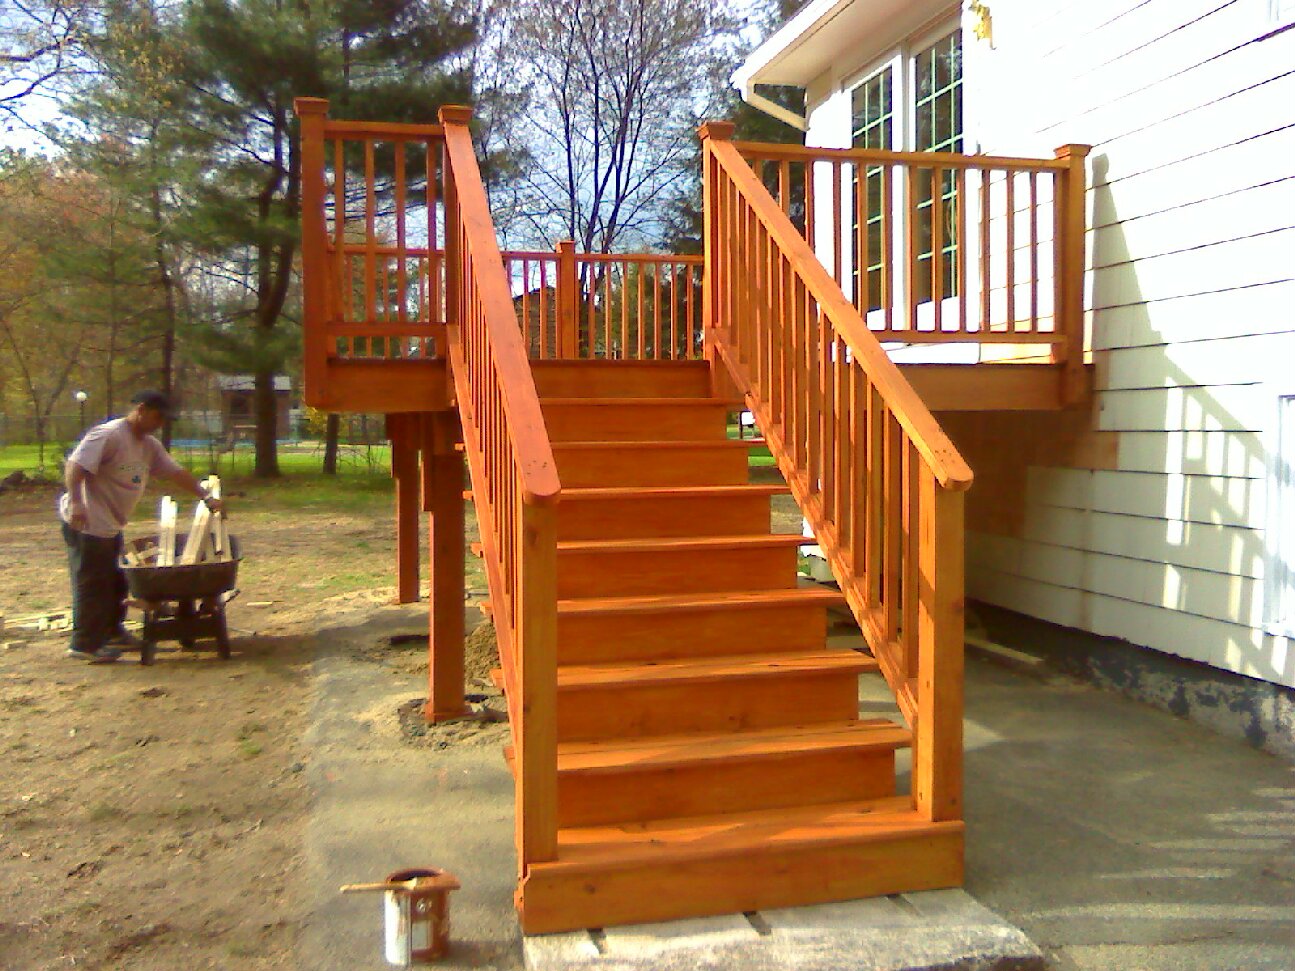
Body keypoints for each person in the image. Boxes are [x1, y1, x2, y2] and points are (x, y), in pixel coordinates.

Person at [59, 390, 225, 664]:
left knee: (116, 583)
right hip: (87, 522)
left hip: (110, 523)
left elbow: (174, 472)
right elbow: (75, 466)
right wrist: (77, 502)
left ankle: (112, 632)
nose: (160, 424)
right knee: (92, 584)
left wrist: (205, 495)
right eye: (158, 417)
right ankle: (84, 644)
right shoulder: (109, 435)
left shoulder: (148, 445)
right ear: (142, 410)